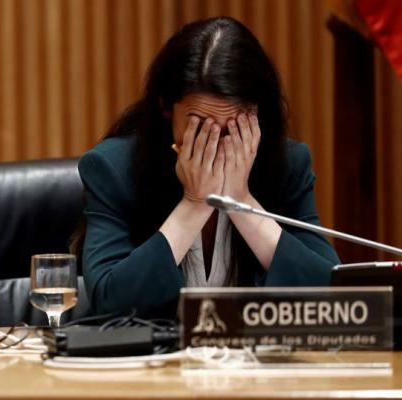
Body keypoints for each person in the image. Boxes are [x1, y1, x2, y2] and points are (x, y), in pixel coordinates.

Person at [77, 17, 340, 318]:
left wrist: (241, 202)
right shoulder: (113, 169)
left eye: (233, 130)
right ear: (166, 106)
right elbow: (110, 302)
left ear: (258, 114)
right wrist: (193, 204)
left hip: (259, 360)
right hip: (154, 360)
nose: (215, 144)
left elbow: (333, 297)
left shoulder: (287, 166)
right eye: (200, 126)